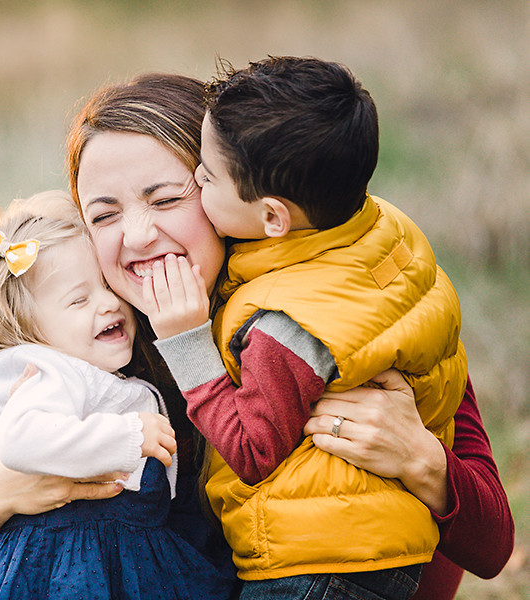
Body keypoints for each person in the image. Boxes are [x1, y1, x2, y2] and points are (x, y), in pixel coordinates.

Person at [0, 73, 514, 600]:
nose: (137, 237)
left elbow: (491, 548)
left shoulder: (330, 313)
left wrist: (421, 463)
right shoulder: (87, 344)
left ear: (233, 196)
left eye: (167, 199)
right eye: (103, 214)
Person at [140, 57, 467, 598]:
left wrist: (187, 340)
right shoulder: (377, 231)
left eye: (207, 176)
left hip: (317, 561)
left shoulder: (288, 323)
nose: (195, 182)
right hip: (374, 543)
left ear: (273, 218)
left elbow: (252, 450)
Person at [0, 190, 232, 599]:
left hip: (120, 556)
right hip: (65, 564)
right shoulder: (51, 372)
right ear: (30, 333)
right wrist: (128, 437)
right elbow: (18, 439)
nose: (108, 304)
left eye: (106, 287)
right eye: (79, 299)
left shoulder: (98, 376)